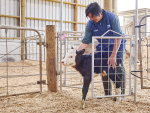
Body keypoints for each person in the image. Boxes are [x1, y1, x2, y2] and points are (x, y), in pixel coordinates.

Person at [77, 2, 126, 99]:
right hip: (103, 46)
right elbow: (85, 42)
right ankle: (108, 94)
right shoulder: (90, 23)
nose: (92, 19)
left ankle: (121, 94)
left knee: (117, 67)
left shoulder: (112, 18)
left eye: (93, 16)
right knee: (103, 68)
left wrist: (113, 56)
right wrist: (76, 57)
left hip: (117, 45)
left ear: (100, 12)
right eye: (90, 17)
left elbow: (118, 38)